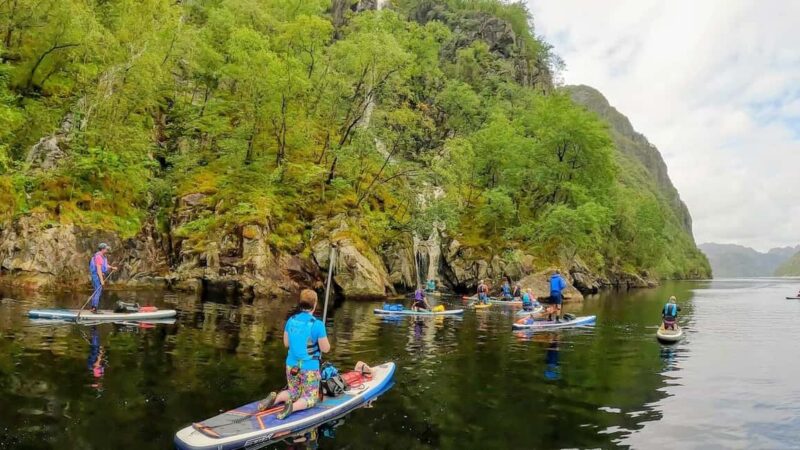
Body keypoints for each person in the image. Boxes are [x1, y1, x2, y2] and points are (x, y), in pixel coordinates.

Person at [258, 289, 331, 419]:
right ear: (314, 304)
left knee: (294, 391)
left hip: (291, 366)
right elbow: (325, 349)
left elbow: (286, 343)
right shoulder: (318, 325)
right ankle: (292, 407)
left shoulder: (291, 320)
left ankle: (276, 399)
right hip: (309, 368)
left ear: (300, 303)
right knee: (310, 398)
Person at [88, 243, 118, 314]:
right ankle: (94, 308)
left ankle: (93, 307)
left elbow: (104, 265)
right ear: (102, 249)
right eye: (106, 248)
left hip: (98, 276)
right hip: (96, 276)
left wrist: (111, 267)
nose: (107, 249)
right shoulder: (98, 257)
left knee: (97, 291)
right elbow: (98, 269)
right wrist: (101, 280)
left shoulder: (102, 256)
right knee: (98, 291)